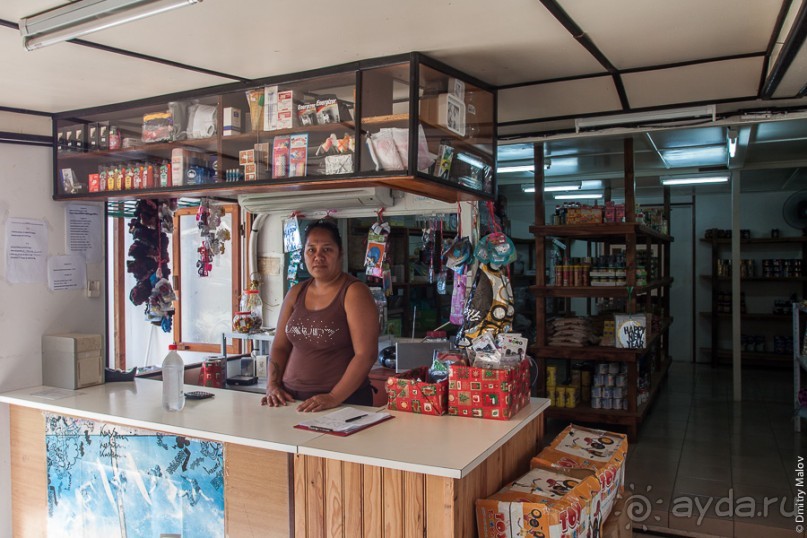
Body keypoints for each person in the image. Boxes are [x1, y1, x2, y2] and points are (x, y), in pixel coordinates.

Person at [261, 219, 380, 412]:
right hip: (290, 400)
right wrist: (272, 385)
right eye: (311, 250)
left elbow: (366, 355)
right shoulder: (296, 292)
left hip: (342, 403)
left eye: (327, 249)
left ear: (340, 253)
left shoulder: (354, 292)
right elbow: (280, 345)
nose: (318, 256)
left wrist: (334, 397)